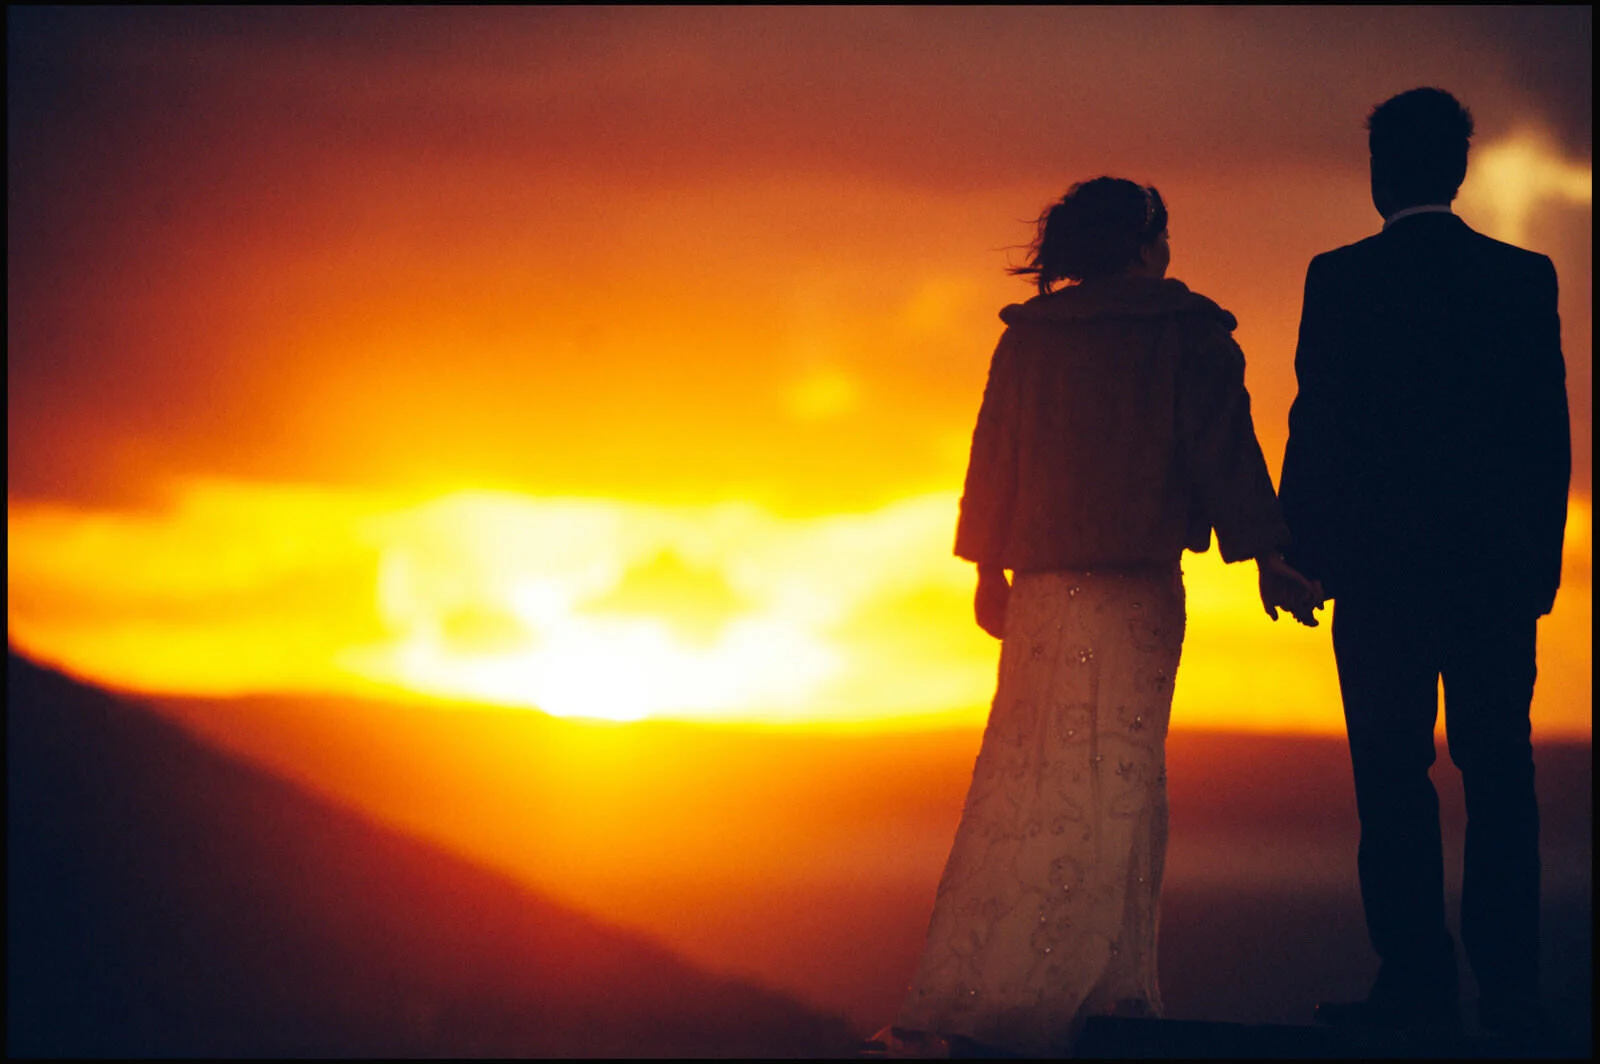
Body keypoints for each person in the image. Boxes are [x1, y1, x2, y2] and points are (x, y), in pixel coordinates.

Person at [876, 177, 1319, 1058]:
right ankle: (1101, 986)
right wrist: (1268, 552)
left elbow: (994, 450)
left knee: (1027, 773)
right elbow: (1223, 446)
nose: (1168, 248)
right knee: (1119, 776)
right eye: (1162, 230)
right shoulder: (1187, 331)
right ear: (1141, 240)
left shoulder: (1030, 339)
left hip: (1042, 587)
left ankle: (1010, 978)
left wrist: (986, 567)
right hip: (1135, 589)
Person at [1279, 88, 1570, 1037]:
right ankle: (1514, 990)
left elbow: (1315, 424)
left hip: (1378, 580)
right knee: (1501, 777)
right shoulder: (1526, 278)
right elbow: (1548, 438)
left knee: (1392, 781)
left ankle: (1414, 983)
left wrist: (1295, 552)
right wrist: (1539, 569)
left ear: (1378, 175)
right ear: (1458, 169)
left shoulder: (1340, 278)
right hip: (1495, 578)